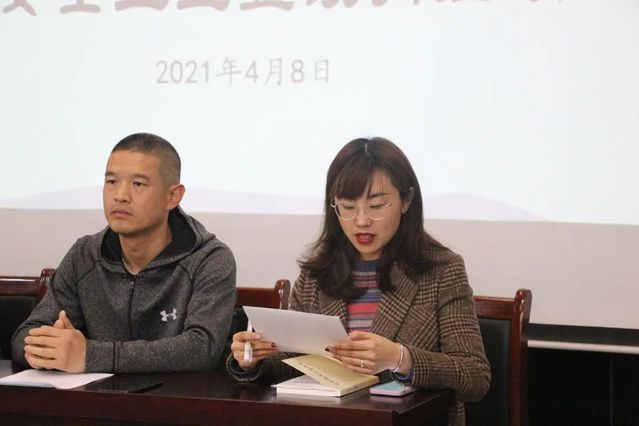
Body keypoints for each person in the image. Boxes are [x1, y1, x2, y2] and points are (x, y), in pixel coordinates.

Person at [227, 137, 490, 425]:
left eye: (376, 205)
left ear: (406, 200)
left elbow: (475, 376)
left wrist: (400, 358)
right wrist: (254, 359)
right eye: (348, 206)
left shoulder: (441, 271)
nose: (361, 221)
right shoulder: (316, 275)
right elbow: (294, 362)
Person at [12, 133, 236, 373]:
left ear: (173, 196)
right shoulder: (85, 254)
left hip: (176, 396)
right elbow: (25, 335)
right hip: (95, 395)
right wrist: (51, 348)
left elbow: (201, 349)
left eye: (137, 184)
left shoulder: (209, 259)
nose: (120, 195)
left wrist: (89, 356)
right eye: (111, 182)